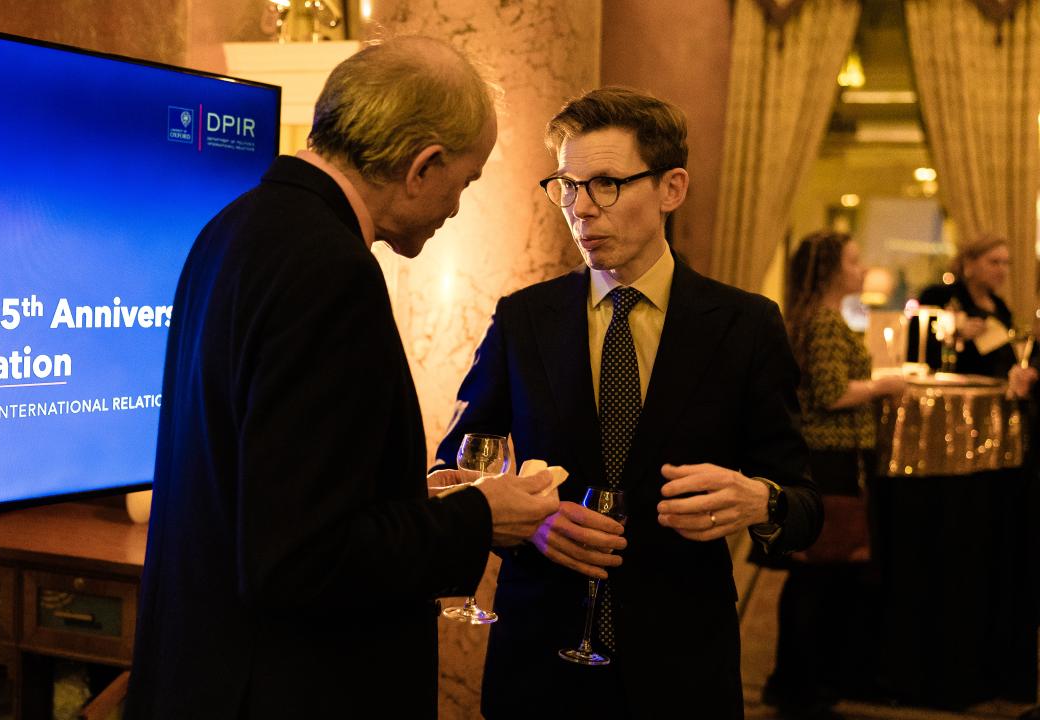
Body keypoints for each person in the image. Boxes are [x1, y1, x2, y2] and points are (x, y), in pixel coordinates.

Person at [125, 37, 559, 720]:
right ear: (423, 166)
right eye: (465, 182)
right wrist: (480, 517)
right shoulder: (332, 271)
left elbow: (269, 482)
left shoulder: (230, 229)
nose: (455, 207)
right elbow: (300, 559)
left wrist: (409, 498)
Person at [432, 86, 822, 718]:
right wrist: (528, 522)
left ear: (672, 188)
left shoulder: (745, 325)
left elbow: (803, 502)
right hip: (540, 660)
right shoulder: (524, 318)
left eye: (606, 184)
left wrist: (762, 500)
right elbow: (458, 468)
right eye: (568, 186)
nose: (582, 208)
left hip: (681, 663)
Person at [759, 231, 906, 720]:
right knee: (818, 575)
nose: (861, 269)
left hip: (825, 457)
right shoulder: (823, 322)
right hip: (828, 458)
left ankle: (799, 681)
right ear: (829, 270)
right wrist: (883, 386)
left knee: (816, 574)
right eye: (853, 261)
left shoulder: (817, 317)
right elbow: (830, 392)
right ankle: (801, 687)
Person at [913, 234, 1013, 377]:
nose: (1002, 270)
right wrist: (956, 335)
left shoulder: (1000, 305)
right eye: (994, 262)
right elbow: (918, 350)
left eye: (1006, 263)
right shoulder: (939, 296)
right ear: (969, 264)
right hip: (949, 384)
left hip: (997, 386)